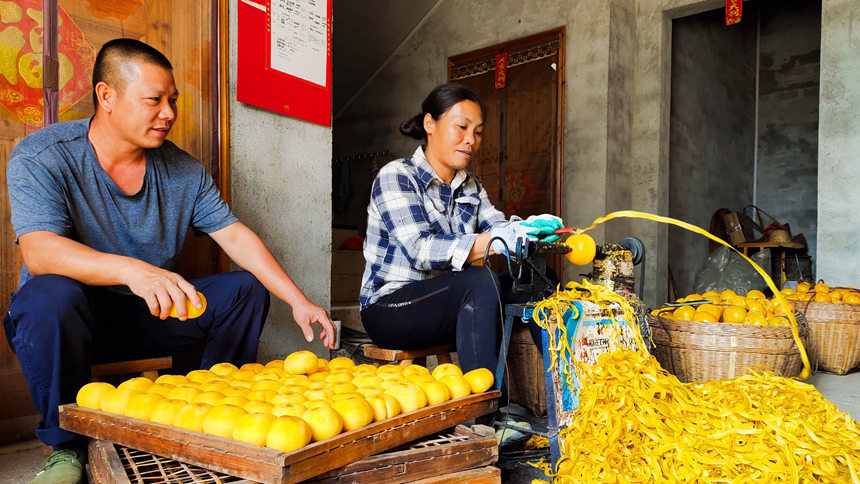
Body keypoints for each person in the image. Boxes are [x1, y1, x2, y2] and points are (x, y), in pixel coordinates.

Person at [4, 38, 335, 484]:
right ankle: (65, 448)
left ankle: (211, 416)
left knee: (245, 289)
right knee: (48, 295)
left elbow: (234, 235)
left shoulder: (183, 170)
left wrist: (299, 300)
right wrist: (132, 270)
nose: (169, 113)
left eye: (173, 100)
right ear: (106, 96)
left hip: (150, 317)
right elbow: (40, 250)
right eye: (154, 100)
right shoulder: (43, 154)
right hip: (72, 326)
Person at [359, 83, 562, 377]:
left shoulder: (470, 185)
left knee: (540, 279)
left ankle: (562, 386)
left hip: (450, 303)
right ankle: (486, 402)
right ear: (430, 124)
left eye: (477, 132)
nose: (471, 140)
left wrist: (526, 230)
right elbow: (420, 249)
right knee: (479, 280)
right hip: (390, 309)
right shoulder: (397, 175)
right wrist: (498, 239)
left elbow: (497, 226)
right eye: (462, 127)